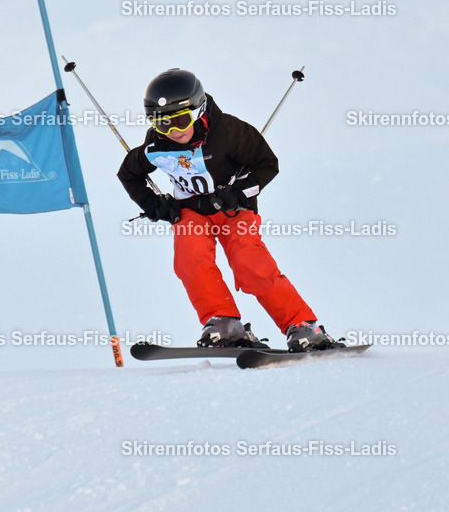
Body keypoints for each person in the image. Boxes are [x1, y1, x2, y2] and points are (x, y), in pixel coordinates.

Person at [117, 68, 342, 352]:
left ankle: (303, 326)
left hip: (234, 210)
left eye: (181, 120)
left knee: (250, 264)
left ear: (198, 110)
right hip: (190, 212)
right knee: (190, 260)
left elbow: (267, 164)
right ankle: (224, 323)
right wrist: (154, 205)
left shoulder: (229, 132)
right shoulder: (155, 146)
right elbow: (129, 174)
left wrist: (238, 192)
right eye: (163, 124)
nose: (174, 131)